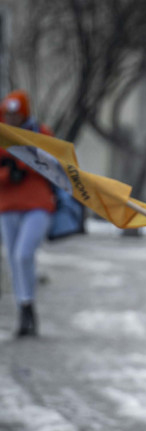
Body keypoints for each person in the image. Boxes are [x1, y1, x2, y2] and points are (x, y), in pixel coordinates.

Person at [0, 89, 55, 337]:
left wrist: (22, 166)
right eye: (7, 114)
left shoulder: (40, 133)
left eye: (16, 114)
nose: (11, 119)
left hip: (37, 205)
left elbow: (53, 164)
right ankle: (24, 309)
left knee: (24, 254)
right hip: (7, 205)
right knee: (14, 259)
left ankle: (28, 306)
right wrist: (7, 173)